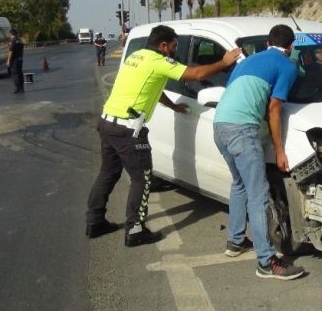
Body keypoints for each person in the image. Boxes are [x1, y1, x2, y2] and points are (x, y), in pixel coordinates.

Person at [86, 25, 241, 247]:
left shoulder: (137, 56)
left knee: (108, 173)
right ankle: (135, 230)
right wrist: (224, 63)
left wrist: (173, 106)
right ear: (163, 45)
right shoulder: (159, 61)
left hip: (108, 122)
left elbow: (151, 87)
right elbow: (195, 74)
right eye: (174, 46)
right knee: (142, 178)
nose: (175, 50)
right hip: (128, 130)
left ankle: (94, 221)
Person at [213, 24, 305, 280]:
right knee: (259, 194)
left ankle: (235, 242)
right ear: (290, 47)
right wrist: (279, 150)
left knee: (240, 184)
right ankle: (266, 262)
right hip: (242, 129)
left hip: (220, 125)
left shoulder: (248, 61)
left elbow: (233, 91)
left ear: (267, 43)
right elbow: (274, 108)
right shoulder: (287, 65)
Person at [6, 28, 25, 93]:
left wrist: (8, 60)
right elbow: (22, 50)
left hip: (14, 60)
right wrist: (21, 57)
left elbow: (11, 51)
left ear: (11, 34)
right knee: (20, 73)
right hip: (20, 59)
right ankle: (22, 88)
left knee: (15, 74)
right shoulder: (20, 40)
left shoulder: (12, 41)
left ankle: (18, 88)